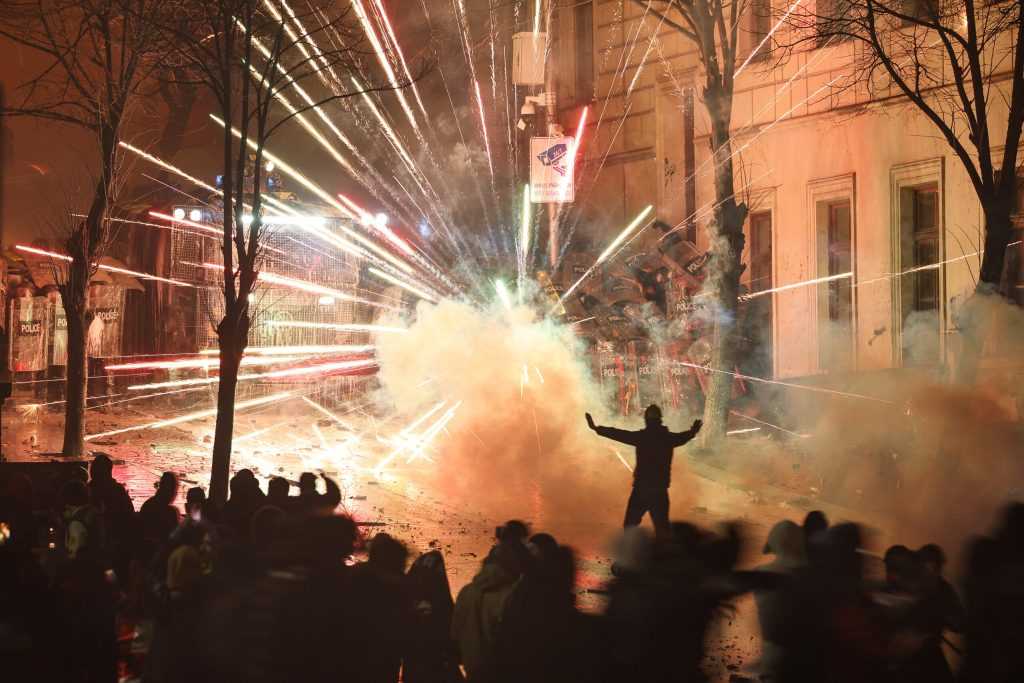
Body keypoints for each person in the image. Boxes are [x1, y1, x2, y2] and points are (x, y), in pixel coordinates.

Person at [585, 405, 701, 539]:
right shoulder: (668, 438)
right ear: (660, 420)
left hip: (641, 490)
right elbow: (683, 437)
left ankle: (630, 556)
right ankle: (663, 557)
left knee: (630, 526)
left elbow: (619, 434)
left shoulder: (642, 437)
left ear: (646, 420)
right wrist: (693, 431)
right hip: (659, 491)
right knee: (662, 529)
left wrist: (597, 429)